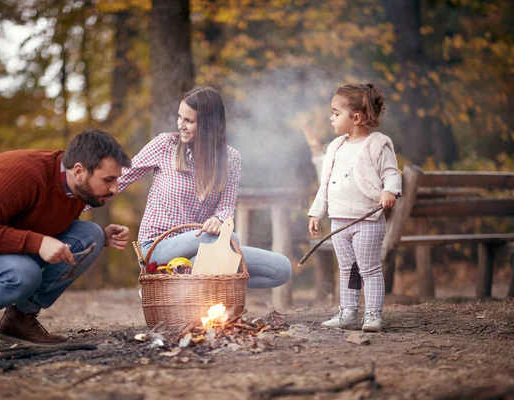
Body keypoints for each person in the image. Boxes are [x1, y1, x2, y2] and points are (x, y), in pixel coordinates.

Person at [0, 129, 131, 359]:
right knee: (25, 274)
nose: (115, 188)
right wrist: (38, 243)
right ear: (79, 171)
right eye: (109, 180)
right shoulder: (23, 174)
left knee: (92, 234)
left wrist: (103, 237)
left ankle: (19, 319)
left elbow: (42, 223)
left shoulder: (75, 188)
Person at [118, 86, 292, 288]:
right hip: (157, 247)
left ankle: (194, 278)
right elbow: (121, 177)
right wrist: (78, 199)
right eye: (180, 117)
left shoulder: (231, 159)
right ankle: (191, 276)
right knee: (229, 239)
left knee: (281, 268)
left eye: (189, 121)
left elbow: (227, 206)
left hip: (204, 248)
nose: (180, 125)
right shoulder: (165, 145)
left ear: (209, 125)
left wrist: (218, 219)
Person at [307, 83, 401, 332]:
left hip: (367, 220)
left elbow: (392, 173)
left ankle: (372, 315)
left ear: (356, 117)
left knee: (369, 268)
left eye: (336, 113)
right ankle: (347, 312)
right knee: (347, 268)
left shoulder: (377, 144)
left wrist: (389, 190)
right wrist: (317, 211)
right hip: (339, 221)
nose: (332, 117)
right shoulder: (335, 147)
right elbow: (324, 183)